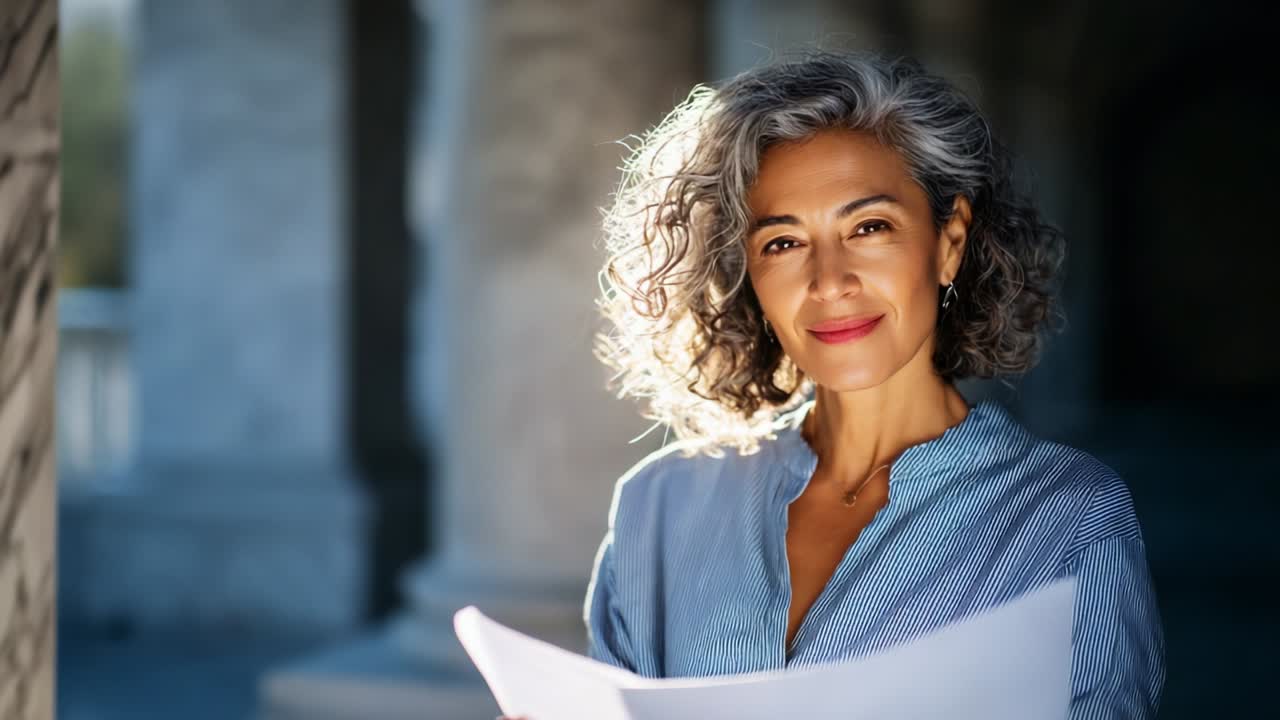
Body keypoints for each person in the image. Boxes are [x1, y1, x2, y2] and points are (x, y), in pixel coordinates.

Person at [504, 47, 1166, 720]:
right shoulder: (659, 505)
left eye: (869, 227)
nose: (828, 281)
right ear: (747, 275)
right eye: (783, 243)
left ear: (949, 242)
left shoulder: (1071, 519)